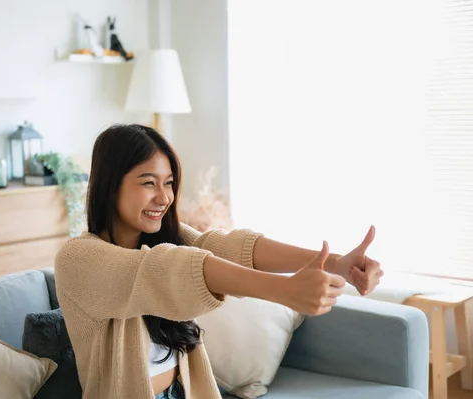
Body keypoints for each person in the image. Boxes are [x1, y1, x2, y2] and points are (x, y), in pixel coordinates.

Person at [54, 124, 383, 399]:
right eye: (148, 183)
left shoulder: (162, 236)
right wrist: (284, 290)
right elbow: (165, 269)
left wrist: (335, 264)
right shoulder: (79, 258)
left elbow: (224, 247)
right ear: (111, 187)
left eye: (168, 183)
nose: (164, 197)